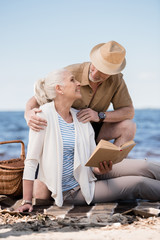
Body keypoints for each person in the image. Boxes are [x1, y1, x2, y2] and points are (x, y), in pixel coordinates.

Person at [17, 68, 160, 213]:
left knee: (144, 166)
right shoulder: (42, 116)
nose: (79, 83)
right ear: (59, 89)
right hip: (75, 190)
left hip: (89, 173)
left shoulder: (81, 117)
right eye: (73, 80)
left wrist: (100, 168)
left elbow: (92, 161)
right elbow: (31, 161)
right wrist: (27, 201)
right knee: (139, 183)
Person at [24, 40, 136, 147]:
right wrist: (28, 114)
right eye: (95, 65)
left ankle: (105, 164)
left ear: (113, 73)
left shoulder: (117, 80)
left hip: (94, 130)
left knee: (129, 127)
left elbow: (129, 112)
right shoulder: (70, 73)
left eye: (103, 71)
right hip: (67, 132)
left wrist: (99, 116)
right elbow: (37, 97)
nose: (95, 73)